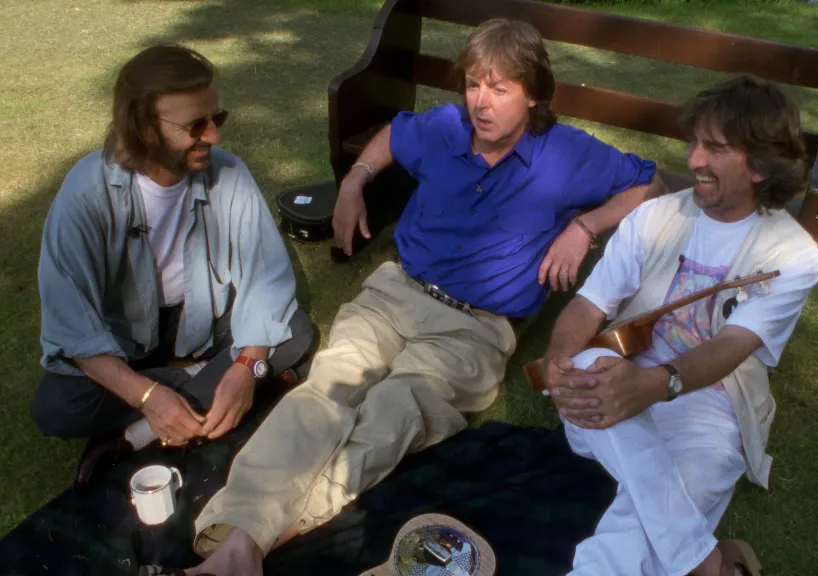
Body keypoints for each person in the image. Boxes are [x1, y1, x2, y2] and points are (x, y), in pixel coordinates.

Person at [184, 18, 666, 575]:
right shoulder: (446, 126)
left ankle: (251, 540)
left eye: (500, 88)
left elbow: (651, 183)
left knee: (392, 415)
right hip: (394, 294)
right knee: (325, 392)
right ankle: (239, 530)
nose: (481, 102)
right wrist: (355, 180)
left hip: (473, 328)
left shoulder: (567, 154)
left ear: (533, 95)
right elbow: (393, 134)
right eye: (473, 84)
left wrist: (585, 226)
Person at [541, 75, 818, 576]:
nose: (693, 160)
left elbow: (732, 345)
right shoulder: (654, 217)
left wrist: (652, 386)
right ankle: (706, 558)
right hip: (615, 387)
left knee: (688, 481)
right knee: (591, 360)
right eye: (694, 142)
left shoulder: (792, 254)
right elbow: (589, 304)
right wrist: (560, 360)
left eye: (715, 148)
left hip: (710, 405)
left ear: (760, 165)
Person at [31, 44, 316, 487]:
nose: (214, 137)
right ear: (144, 129)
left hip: (201, 319)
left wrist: (246, 366)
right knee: (55, 406)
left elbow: (266, 278)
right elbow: (73, 327)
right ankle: (207, 383)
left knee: (296, 329)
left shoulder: (228, 173)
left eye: (217, 118)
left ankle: (132, 438)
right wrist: (147, 394)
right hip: (120, 338)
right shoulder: (85, 196)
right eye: (196, 125)